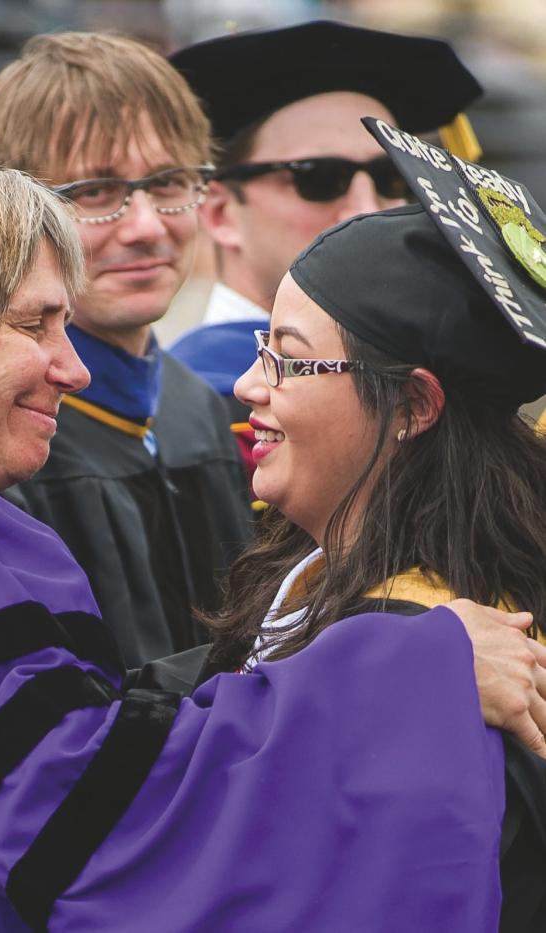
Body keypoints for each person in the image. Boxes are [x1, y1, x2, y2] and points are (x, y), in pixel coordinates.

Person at [0, 159, 543, 933]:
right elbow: (73, 807)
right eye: (34, 324)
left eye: (287, 355)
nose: (74, 367)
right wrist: (415, 670)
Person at [201, 118, 546, 930]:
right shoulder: (326, 587)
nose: (250, 385)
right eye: (262, 345)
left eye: (287, 356)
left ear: (414, 406)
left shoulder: (447, 666)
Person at [0, 32, 251, 668]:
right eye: (96, 192)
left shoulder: (195, 406)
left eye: (170, 182)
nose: (148, 224)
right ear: (16, 212)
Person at [168, 20, 483, 486]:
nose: (366, 208)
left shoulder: (433, 378)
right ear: (220, 213)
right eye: (318, 177)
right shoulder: (197, 404)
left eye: (390, 176)